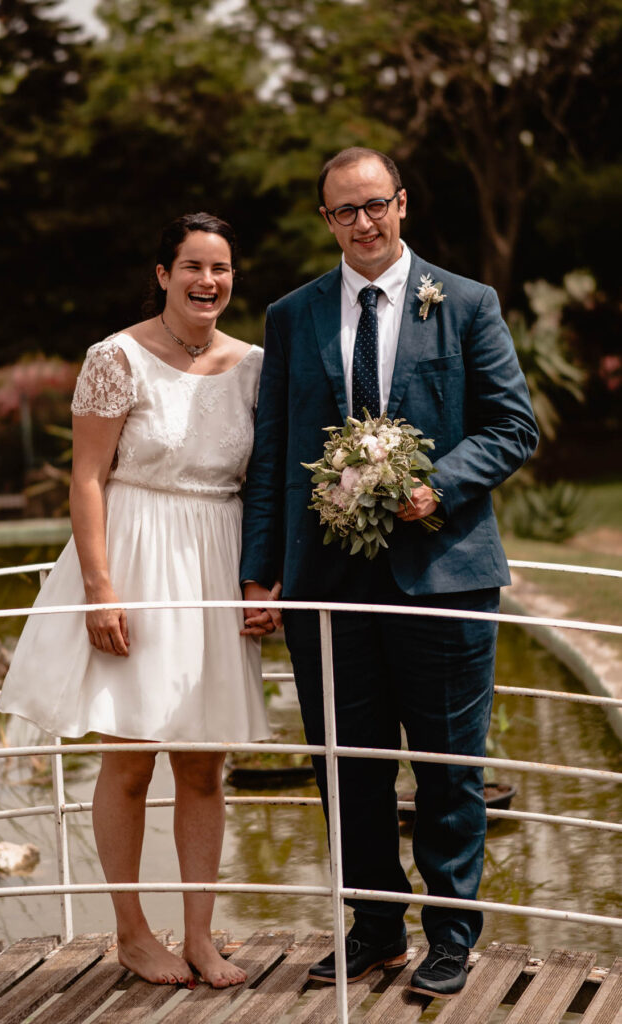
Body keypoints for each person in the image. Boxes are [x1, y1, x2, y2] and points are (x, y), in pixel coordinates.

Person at [240, 148, 539, 997]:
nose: (363, 223)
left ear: (401, 204)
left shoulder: (467, 303)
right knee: (345, 768)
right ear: (326, 220)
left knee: (448, 770)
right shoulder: (292, 316)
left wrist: (432, 485)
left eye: (375, 204)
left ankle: (450, 937)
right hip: (325, 590)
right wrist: (260, 575)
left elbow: (512, 427)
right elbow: (273, 458)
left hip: (444, 576)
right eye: (344, 211)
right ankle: (374, 930)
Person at [0, 212, 271, 989]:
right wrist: (100, 590)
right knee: (128, 761)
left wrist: (259, 579)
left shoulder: (253, 364)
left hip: (215, 561)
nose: (206, 282)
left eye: (219, 268)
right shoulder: (114, 357)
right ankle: (130, 932)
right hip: (137, 556)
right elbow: (87, 477)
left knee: (203, 764)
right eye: (190, 266)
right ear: (162, 274)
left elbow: (262, 481)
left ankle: (200, 936)